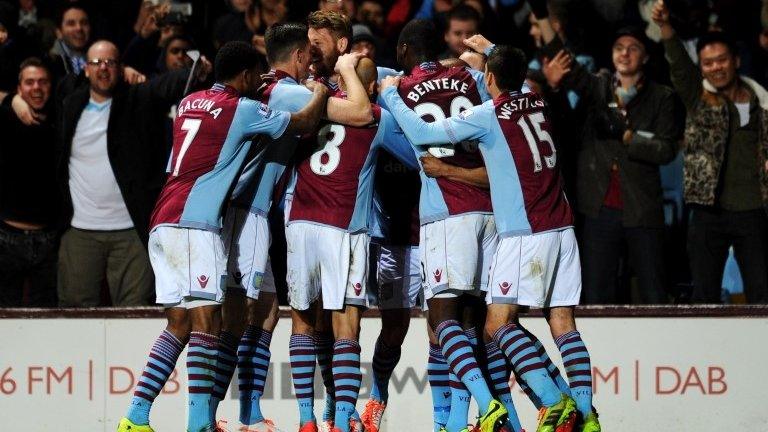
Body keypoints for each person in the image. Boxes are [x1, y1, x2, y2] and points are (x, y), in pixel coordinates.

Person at [381, 41, 601, 432]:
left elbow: (423, 129)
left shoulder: (490, 115)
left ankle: (552, 402)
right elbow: (510, 74)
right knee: (563, 322)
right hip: (564, 228)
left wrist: (391, 97)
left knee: (495, 326)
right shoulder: (537, 100)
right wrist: (493, 50)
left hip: (523, 230)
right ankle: (585, 414)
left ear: (491, 78)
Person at [116, 40, 329, 432]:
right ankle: (200, 422)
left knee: (180, 323)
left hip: (161, 218)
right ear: (247, 75)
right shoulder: (243, 108)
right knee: (210, 322)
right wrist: (319, 91)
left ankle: (136, 415)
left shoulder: (189, 103)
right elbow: (303, 123)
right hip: (196, 224)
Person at [210, 22, 373, 431]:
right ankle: (207, 415)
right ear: (298, 55)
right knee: (236, 318)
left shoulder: (262, 85)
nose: (313, 58)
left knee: (264, 314)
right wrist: (344, 77)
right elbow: (358, 112)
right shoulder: (286, 90)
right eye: (310, 50)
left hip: (250, 212)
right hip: (247, 213)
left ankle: (247, 412)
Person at [378, 19, 510, 432]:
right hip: (491, 209)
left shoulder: (397, 89)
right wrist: (488, 54)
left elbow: (369, 82)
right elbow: (511, 91)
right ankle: (453, 423)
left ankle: (486, 406)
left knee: (441, 318)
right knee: (473, 320)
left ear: (403, 52)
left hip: (445, 211)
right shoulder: (472, 77)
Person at [286, 56, 417, 432]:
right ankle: (343, 419)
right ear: (372, 86)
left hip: (299, 222)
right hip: (343, 226)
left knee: (302, 323)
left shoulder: (314, 102)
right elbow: (415, 155)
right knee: (346, 326)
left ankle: (306, 420)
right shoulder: (374, 116)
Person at [534, 5, 680, 304]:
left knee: (654, 291)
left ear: (646, 56)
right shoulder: (599, 87)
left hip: (641, 208)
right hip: (598, 208)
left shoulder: (661, 96)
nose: (624, 53)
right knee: (598, 293)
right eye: (618, 48)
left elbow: (666, 149)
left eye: (633, 48)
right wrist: (543, 18)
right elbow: (563, 57)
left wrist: (628, 137)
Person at [55, 40, 204, 307]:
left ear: (122, 68)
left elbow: (168, 86)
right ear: (85, 70)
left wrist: (199, 67)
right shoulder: (70, 103)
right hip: (79, 232)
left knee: (134, 311)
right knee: (73, 312)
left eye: (110, 63)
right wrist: (16, 100)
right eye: (97, 63)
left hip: (130, 232)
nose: (103, 69)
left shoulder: (137, 98)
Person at [653, 0, 768, 304]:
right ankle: (708, 353)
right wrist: (666, 26)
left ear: (736, 61)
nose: (716, 67)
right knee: (705, 295)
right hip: (707, 213)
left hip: (753, 211)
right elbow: (678, 64)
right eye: (708, 63)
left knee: (762, 293)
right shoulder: (698, 97)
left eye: (722, 60)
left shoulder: (762, 101)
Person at [0, 58, 58, 307]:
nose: (36, 87)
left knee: (45, 316)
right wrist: (10, 99)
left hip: (50, 237)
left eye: (43, 81)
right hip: (7, 235)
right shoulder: (7, 113)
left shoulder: (62, 113)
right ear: (19, 87)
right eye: (29, 82)